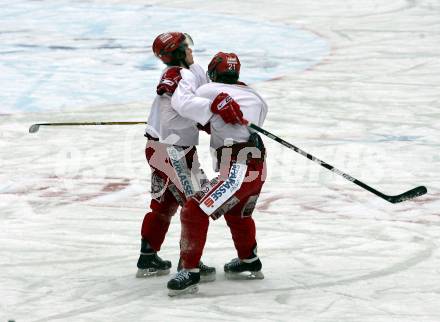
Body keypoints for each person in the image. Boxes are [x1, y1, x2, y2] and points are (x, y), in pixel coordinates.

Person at [167, 52, 268, 296]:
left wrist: (186, 79)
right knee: (238, 213)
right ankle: (248, 261)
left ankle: (189, 272)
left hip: (237, 169)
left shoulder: (209, 91)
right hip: (257, 167)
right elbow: (248, 122)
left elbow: (180, 104)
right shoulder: (256, 97)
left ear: (213, 73)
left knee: (194, 209)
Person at [136, 32, 215, 282]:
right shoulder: (178, 75)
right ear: (178, 52)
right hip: (174, 151)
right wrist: (210, 119)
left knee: (164, 204)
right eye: (186, 46)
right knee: (196, 205)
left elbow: (199, 86)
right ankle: (189, 263)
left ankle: (148, 258)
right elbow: (180, 105)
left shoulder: (184, 72)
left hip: (159, 148)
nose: (191, 49)